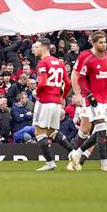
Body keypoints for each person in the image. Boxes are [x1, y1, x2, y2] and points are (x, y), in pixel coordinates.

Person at [68, 32, 107, 171]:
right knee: (85, 129)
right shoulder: (84, 55)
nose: (103, 44)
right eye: (100, 41)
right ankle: (75, 157)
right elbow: (75, 74)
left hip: (101, 99)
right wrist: (77, 94)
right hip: (88, 97)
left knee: (99, 129)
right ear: (92, 42)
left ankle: (78, 158)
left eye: (105, 41)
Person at [32, 37, 75, 171]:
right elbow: (67, 83)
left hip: (45, 101)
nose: (34, 49)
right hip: (56, 101)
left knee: (39, 132)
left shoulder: (42, 63)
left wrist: (36, 91)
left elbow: (43, 82)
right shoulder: (59, 62)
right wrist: (62, 97)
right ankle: (74, 152)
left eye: (36, 47)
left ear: (44, 48)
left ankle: (50, 163)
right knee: (50, 131)